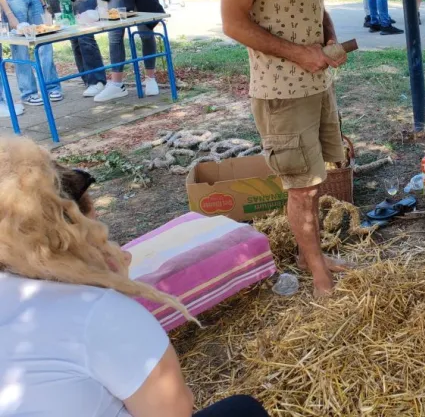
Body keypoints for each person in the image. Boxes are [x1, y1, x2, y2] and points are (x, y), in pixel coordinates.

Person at [0, 137, 272, 417]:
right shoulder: (102, 315)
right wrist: (112, 287)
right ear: (75, 234)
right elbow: (175, 411)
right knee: (244, 410)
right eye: (97, 228)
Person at [221, 0, 353, 298]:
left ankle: (306, 254)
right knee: (302, 186)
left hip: (317, 88)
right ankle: (316, 271)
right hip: (281, 92)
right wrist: (301, 54)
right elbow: (234, 24)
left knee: (316, 180)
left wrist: (328, 37)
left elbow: (316, 4)